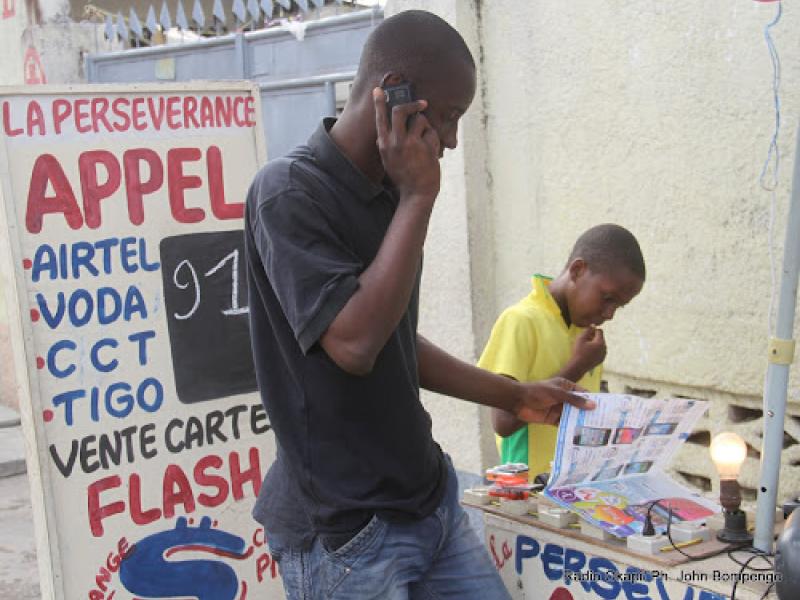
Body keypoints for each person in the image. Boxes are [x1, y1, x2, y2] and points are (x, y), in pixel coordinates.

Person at [243, 10, 594, 599]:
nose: (453, 140)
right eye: (450, 116)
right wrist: (418, 198)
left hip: (428, 503)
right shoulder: (287, 193)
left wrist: (514, 393)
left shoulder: (390, 194)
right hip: (347, 535)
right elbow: (354, 344)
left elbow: (393, 340)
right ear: (395, 96)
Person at [479, 224, 646, 479]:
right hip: (529, 488)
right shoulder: (521, 320)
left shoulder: (584, 334)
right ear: (578, 270)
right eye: (607, 298)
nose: (610, 314)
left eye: (619, 307)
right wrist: (579, 366)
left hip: (575, 484)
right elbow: (503, 422)